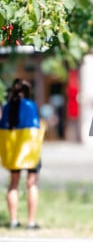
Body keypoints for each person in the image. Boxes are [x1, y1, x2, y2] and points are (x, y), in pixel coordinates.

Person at [0, 79, 42, 229]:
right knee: (32, 184)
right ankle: (31, 222)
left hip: (14, 152)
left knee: (13, 184)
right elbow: (36, 128)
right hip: (30, 151)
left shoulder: (7, 107)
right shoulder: (31, 106)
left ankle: (13, 221)